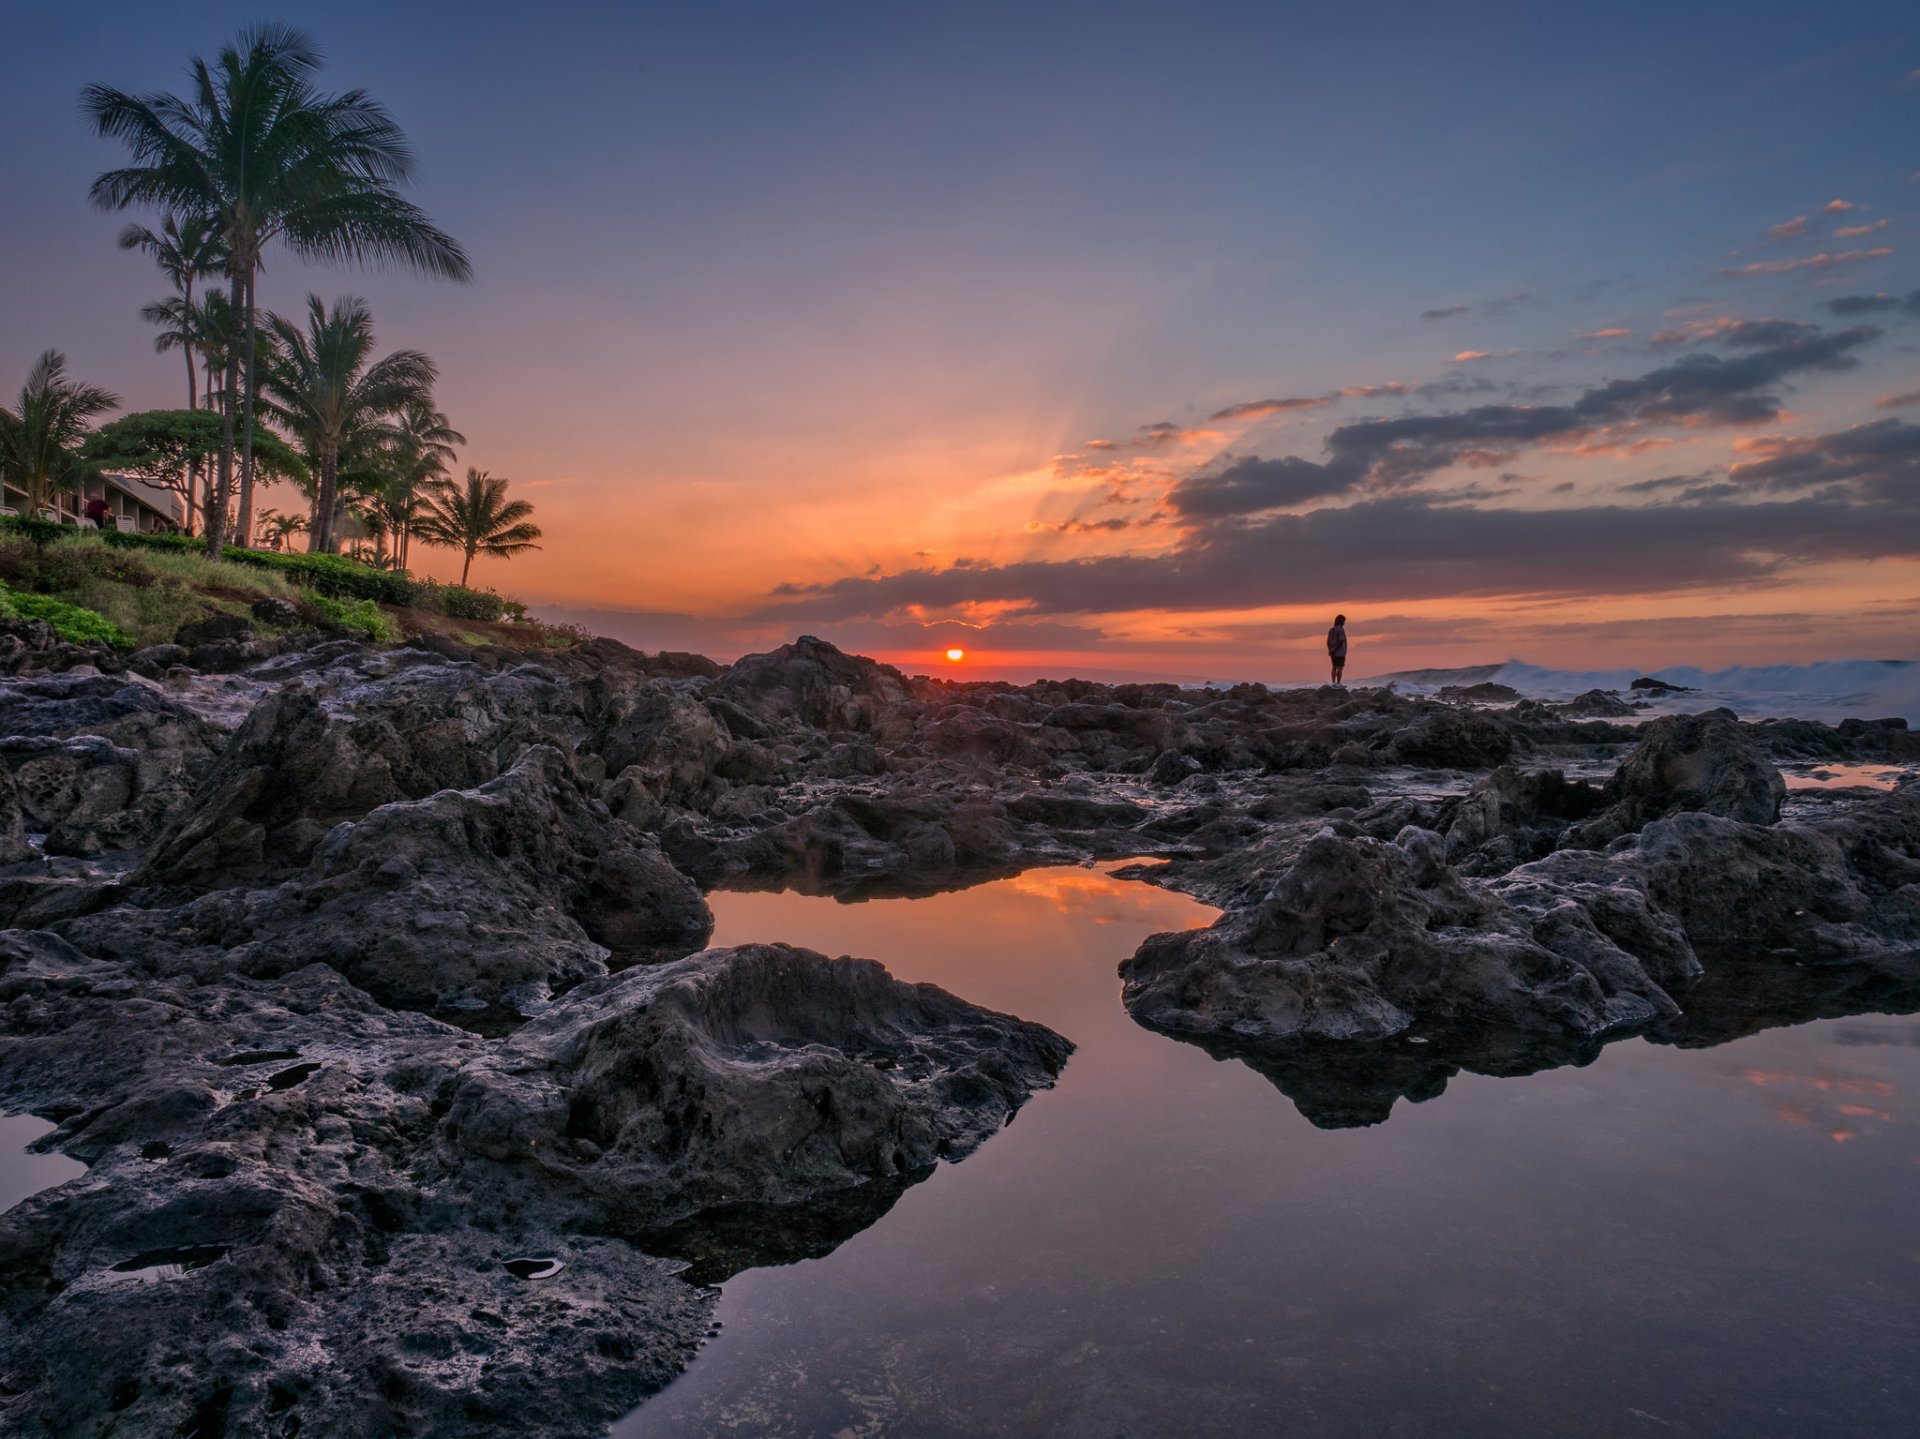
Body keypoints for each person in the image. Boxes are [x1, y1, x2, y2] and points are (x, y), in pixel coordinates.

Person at [1326, 613, 1348, 685]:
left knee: (1334, 667)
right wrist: (1335, 650)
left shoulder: (1331, 630)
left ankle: (1333, 682)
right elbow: (1341, 641)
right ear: (1341, 622)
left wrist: (1330, 650)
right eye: (1343, 621)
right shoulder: (1340, 629)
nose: (1344, 623)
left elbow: (1328, 641)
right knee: (1340, 668)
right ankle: (1338, 683)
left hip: (1332, 651)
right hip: (1340, 652)